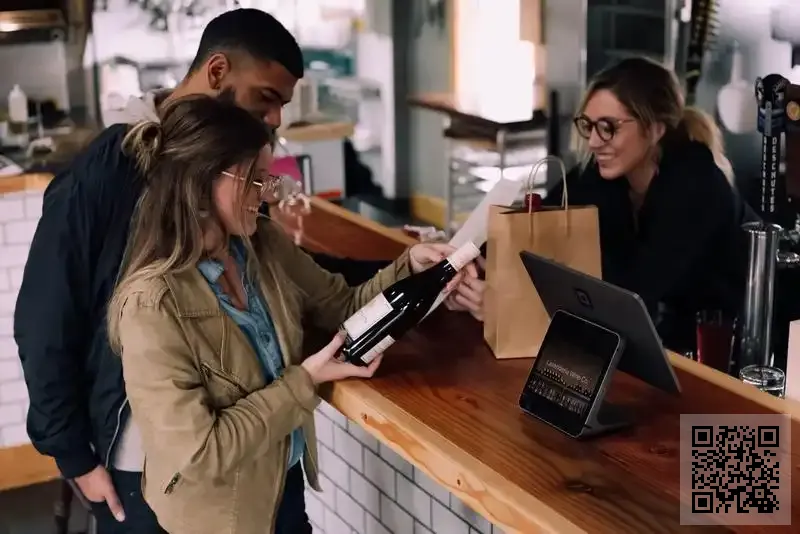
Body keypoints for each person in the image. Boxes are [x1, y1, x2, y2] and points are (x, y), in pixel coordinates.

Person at [13, 8, 482, 534]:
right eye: (267, 98)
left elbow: (328, 295)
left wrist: (412, 270)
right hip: (156, 472)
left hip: (265, 468)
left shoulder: (250, 238)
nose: (276, 119)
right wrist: (72, 454)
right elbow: (45, 317)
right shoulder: (115, 187)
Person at [106, 94, 468, 534]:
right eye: (255, 179)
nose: (267, 193)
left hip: (281, 486)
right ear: (201, 183)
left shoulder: (262, 245)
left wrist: (409, 268)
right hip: (220, 521)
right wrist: (305, 382)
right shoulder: (151, 306)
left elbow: (343, 306)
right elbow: (200, 453)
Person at [545, 56, 757, 352]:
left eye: (608, 127)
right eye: (589, 126)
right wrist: (479, 266)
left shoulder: (694, 182)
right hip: (675, 343)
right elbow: (536, 218)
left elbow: (635, 296)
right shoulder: (604, 172)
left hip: (735, 348)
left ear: (655, 129)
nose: (593, 141)